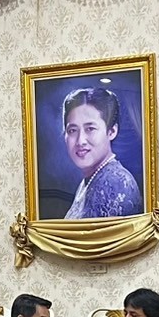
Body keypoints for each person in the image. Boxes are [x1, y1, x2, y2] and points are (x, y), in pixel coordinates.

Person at [60, 88, 142, 219]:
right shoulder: (90, 179)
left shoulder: (116, 183)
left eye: (90, 129)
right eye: (72, 130)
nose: (80, 141)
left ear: (112, 131)